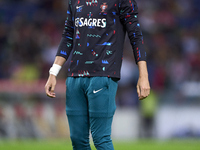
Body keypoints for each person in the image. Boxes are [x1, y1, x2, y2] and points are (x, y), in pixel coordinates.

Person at [45, 0, 150, 149]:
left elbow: (136, 36)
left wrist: (143, 75)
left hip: (103, 76)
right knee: (77, 140)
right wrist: (53, 72)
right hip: (75, 77)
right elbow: (68, 34)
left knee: (101, 139)